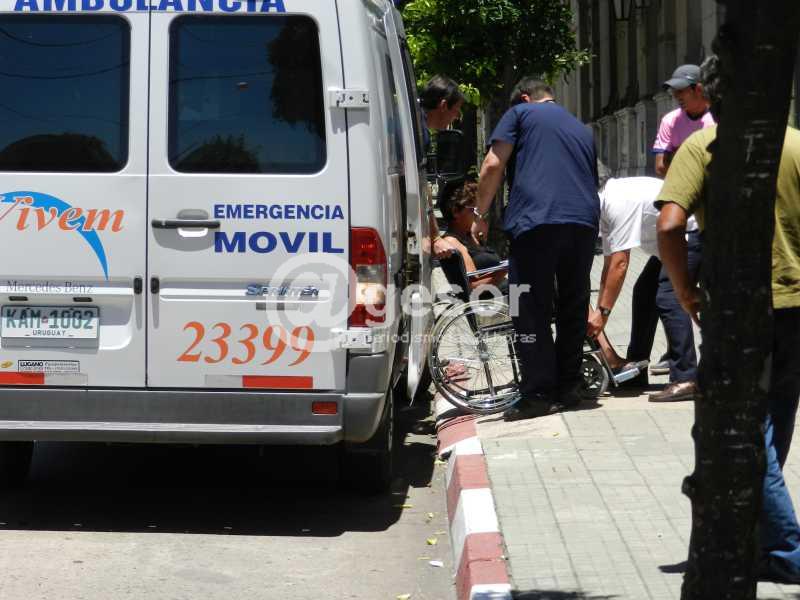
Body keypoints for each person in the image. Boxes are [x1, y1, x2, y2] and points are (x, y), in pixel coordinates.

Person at [656, 54, 800, 583]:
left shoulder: (704, 147)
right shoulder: (795, 143)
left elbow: (669, 225)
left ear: (711, 96)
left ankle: (787, 551)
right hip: (795, 307)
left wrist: (684, 291)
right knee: (773, 420)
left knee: (750, 431)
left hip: (738, 312)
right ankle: (761, 537)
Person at [472, 78, 600, 420]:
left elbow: (493, 164)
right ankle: (569, 386)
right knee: (573, 304)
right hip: (583, 222)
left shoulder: (520, 113)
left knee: (529, 306)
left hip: (537, 220)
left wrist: (479, 215)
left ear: (526, 98)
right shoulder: (582, 128)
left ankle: (538, 394)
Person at [419, 75, 466, 260]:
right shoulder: (419, 132)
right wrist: (435, 237)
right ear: (444, 105)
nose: (457, 116)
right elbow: (421, 187)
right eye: (457, 110)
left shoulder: (413, 121)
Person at [439, 180, 507, 293]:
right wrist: (507, 268)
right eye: (473, 210)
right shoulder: (453, 242)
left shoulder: (470, 235)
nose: (476, 215)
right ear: (455, 211)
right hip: (497, 298)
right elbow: (474, 286)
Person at [653, 64, 715, 178]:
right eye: (674, 91)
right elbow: (660, 166)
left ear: (699, 89)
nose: (676, 96)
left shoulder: (718, 118)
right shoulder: (669, 121)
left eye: (680, 91)